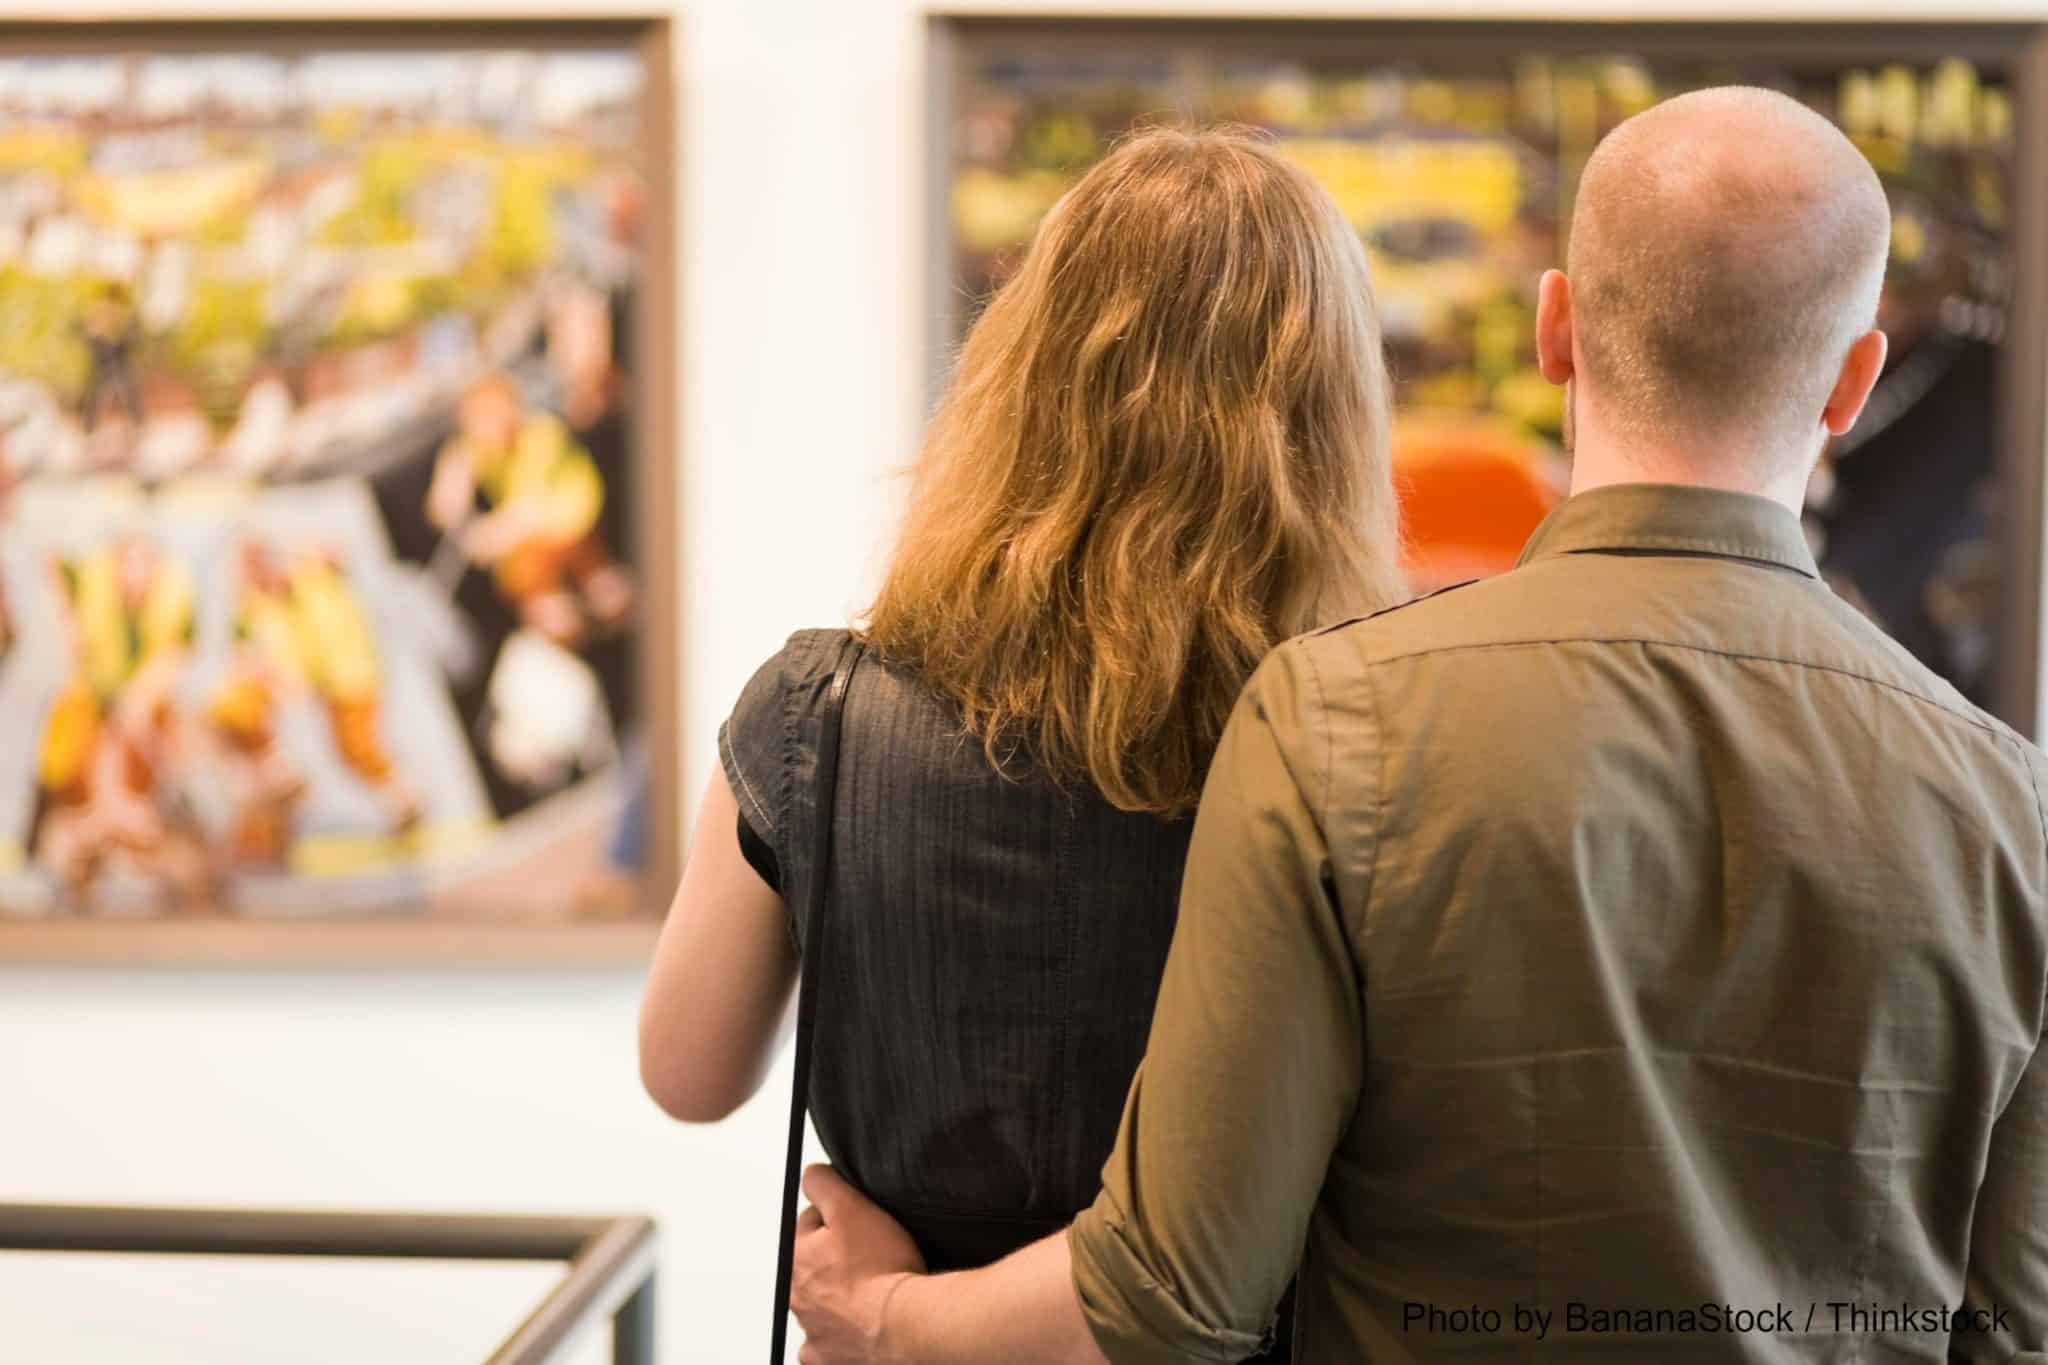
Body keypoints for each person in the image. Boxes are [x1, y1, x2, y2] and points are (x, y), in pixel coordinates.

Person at [789, 87, 2048, 1364]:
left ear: (1556, 328)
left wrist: (882, 1317)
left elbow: (1173, 1294)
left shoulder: (1336, 720)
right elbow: (2011, 1332)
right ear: (1851, 382)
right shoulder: (2012, 814)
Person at [637, 126, 1404, 1350]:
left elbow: (687, 1072)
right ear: (1325, 425)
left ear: (1018, 371)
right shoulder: (1368, 745)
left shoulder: (814, 715)